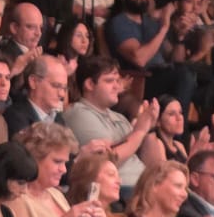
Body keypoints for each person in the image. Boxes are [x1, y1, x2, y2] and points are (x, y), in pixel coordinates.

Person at [7, 122, 109, 217]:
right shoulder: (17, 200)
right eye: (57, 162)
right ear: (33, 159)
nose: (64, 170)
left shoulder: (56, 194)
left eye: (65, 163)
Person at [61, 54, 152, 188]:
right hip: (119, 189)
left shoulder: (119, 117)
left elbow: (134, 149)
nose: (116, 86)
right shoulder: (77, 113)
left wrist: (146, 125)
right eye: (109, 81)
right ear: (90, 84)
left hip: (142, 184)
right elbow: (106, 162)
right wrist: (140, 131)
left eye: (117, 81)